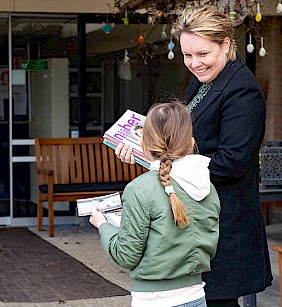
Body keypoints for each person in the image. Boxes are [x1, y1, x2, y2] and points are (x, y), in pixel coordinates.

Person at [115, 6, 272, 306]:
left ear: (226, 44)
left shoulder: (242, 90)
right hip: (201, 228)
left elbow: (232, 163)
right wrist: (148, 150)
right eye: (188, 55)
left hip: (223, 229)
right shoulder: (205, 81)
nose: (195, 63)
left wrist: (165, 160)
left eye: (202, 54)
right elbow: (187, 141)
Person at [90, 101, 220, 307]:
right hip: (196, 297)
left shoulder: (140, 189)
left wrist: (103, 225)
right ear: (191, 142)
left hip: (154, 300)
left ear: (142, 145)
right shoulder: (207, 185)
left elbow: (125, 256)